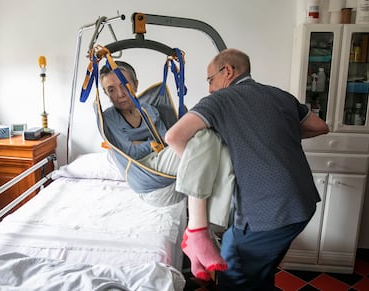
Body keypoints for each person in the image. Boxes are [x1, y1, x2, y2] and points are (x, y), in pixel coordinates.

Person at [165, 48, 330, 290]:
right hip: (303, 204)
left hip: (268, 211)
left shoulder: (219, 101)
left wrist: (208, 171)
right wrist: (279, 135)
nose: (209, 88)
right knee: (257, 267)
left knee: (235, 272)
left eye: (210, 79)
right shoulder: (281, 96)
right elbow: (320, 126)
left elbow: (174, 137)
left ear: (228, 71)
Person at [99, 61, 235, 281]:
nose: (119, 94)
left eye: (123, 85)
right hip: (145, 176)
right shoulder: (107, 118)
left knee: (220, 146)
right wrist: (150, 144)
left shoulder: (150, 110)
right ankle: (202, 233)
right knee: (207, 138)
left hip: (172, 176)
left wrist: (144, 143)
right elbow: (129, 151)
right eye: (110, 90)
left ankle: (207, 231)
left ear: (135, 84)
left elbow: (165, 141)